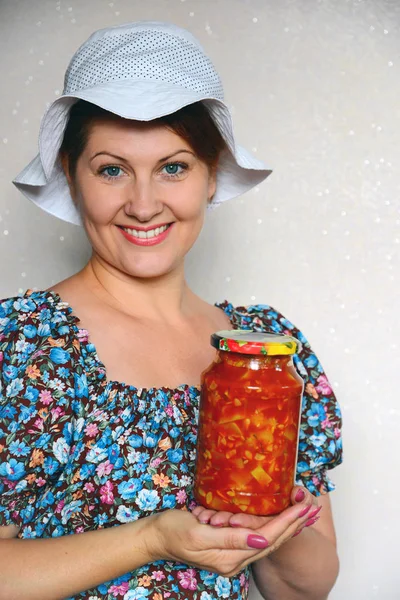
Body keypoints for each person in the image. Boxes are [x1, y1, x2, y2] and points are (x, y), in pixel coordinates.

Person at [0, 21, 342, 600]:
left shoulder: (267, 352)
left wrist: (275, 523)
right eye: (112, 169)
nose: (143, 203)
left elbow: (300, 591)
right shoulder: (24, 344)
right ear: (70, 175)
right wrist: (152, 539)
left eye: (173, 167)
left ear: (211, 175)